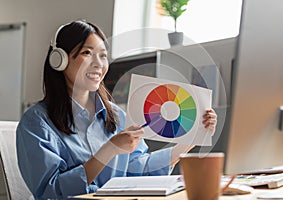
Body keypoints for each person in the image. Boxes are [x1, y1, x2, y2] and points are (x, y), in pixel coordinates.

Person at [16, 20, 217, 199]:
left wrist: (191, 139)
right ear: (60, 60)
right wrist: (109, 150)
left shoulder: (117, 116)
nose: (98, 64)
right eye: (87, 53)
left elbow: (139, 170)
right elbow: (50, 192)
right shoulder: (36, 122)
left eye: (103, 56)